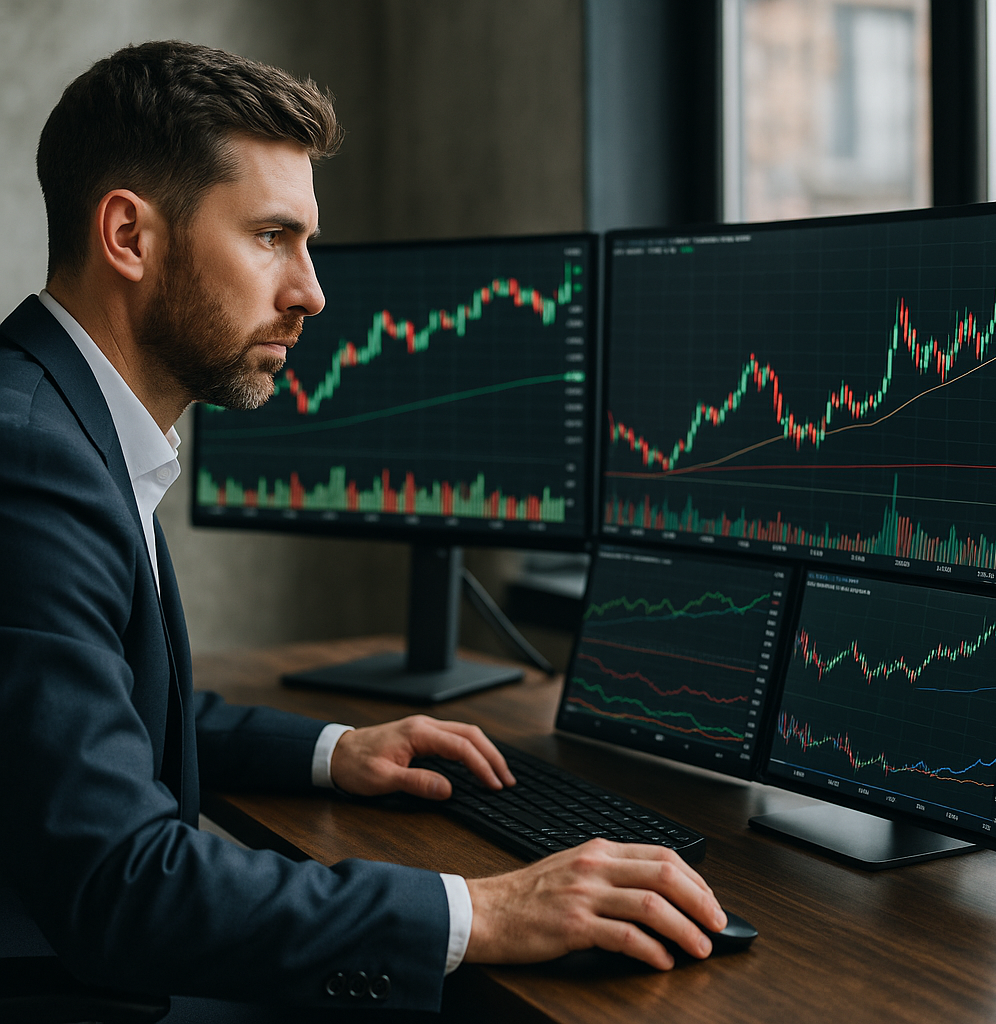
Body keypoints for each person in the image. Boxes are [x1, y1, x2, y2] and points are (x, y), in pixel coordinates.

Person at [0, 40, 726, 1019]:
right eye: (270, 236)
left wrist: (336, 751)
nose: (310, 291)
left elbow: (101, 714)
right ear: (129, 235)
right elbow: (122, 886)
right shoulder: (31, 459)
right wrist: (478, 909)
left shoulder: (55, 414)